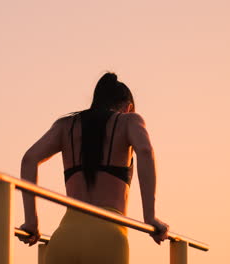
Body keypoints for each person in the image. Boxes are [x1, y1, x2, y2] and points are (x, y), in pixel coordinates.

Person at [18, 73, 169, 264]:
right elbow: (145, 151)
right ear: (128, 107)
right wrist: (150, 217)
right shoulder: (129, 121)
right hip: (108, 237)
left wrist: (31, 222)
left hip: (64, 238)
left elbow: (29, 159)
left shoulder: (65, 126)